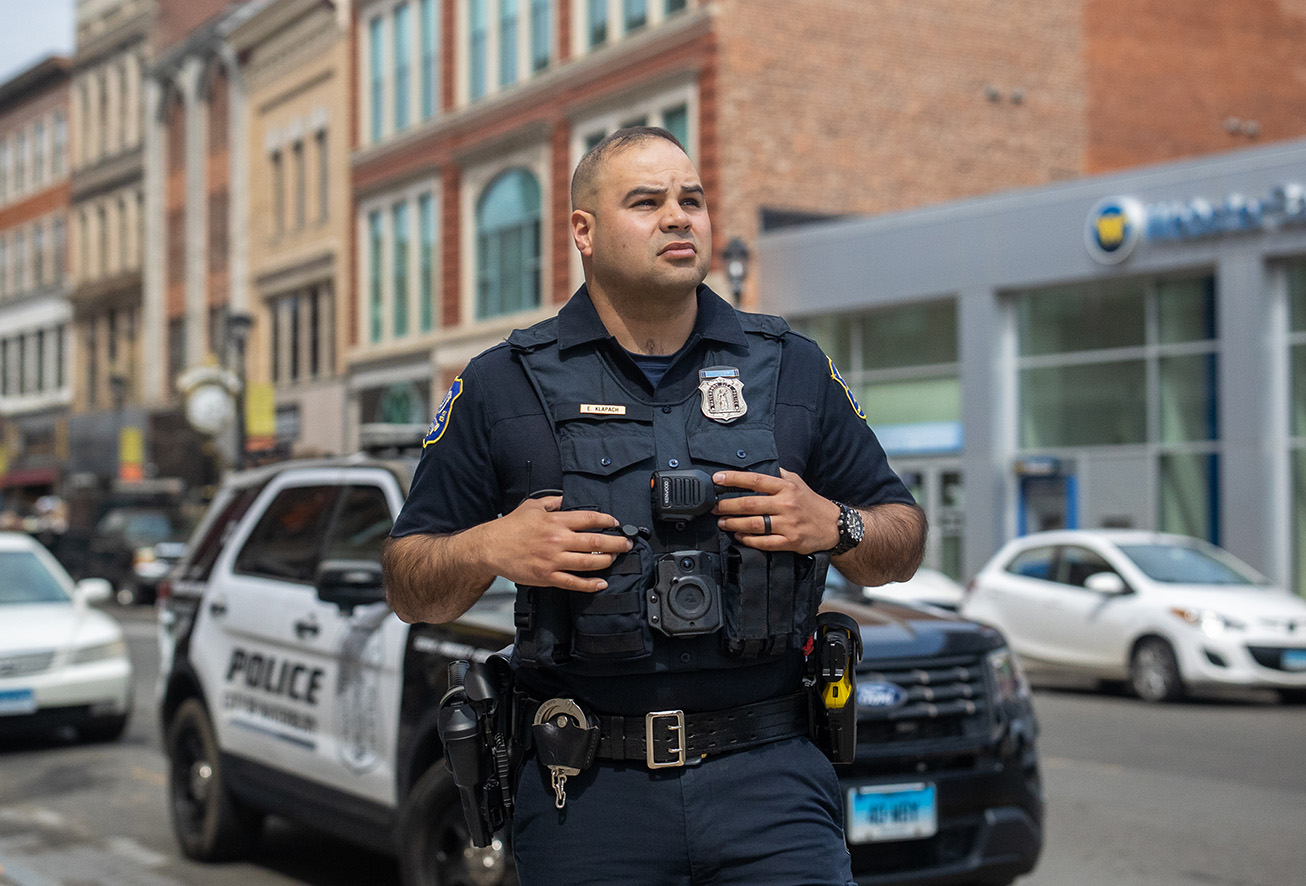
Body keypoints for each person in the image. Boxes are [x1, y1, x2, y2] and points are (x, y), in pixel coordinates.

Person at [383, 126, 926, 886]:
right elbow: (407, 584)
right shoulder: (502, 385)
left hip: (771, 786)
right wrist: (490, 548)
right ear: (584, 230)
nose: (680, 217)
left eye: (692, 200)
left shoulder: (792, 367)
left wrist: (835, 524)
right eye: (647, 201)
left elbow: (902, 538)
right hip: (589, 797)